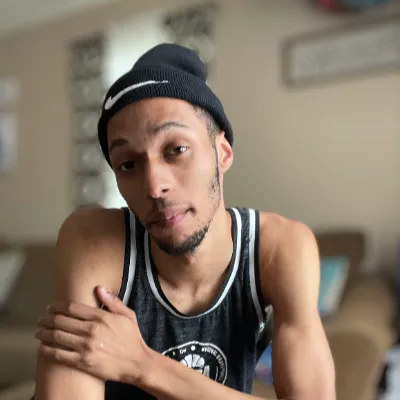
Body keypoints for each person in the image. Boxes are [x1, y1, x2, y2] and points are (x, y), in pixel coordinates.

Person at [33, 43, 335, 400]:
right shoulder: (94, 239)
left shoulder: (278, 248)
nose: (154, 186)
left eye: (176, 149)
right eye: (128, 164)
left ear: (222, 153)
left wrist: (143, 365)